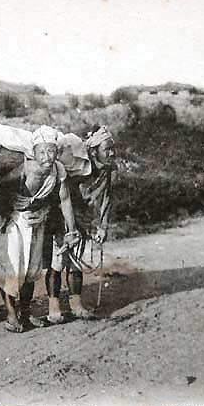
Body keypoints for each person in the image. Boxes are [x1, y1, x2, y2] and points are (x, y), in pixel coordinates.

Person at [0, 125, 80, 333]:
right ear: (34, 152)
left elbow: (65, 199)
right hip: (15, 222)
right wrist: (5, 213)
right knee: (13, 267)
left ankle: (25, 312)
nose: (47, 156)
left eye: (51, 151)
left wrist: (72, 229)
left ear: (57, 152)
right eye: (41, 151)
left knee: (32, 269)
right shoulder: (24, 169)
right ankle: (11, 315)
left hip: (37, 221)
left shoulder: (58, 170)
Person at [44, 126, 116, 323]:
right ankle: (54, 306)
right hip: (62, 219)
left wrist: (103, 225)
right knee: (57, 263)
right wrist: (68, 224)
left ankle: (76, 304)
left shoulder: (108, 170)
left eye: (113, 148)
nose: (112, 152)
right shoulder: (78, 167)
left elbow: (106, 198)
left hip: (83, 221)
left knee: (77, 264)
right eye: (106, 148)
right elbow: (61, 195)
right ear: (94, 151)